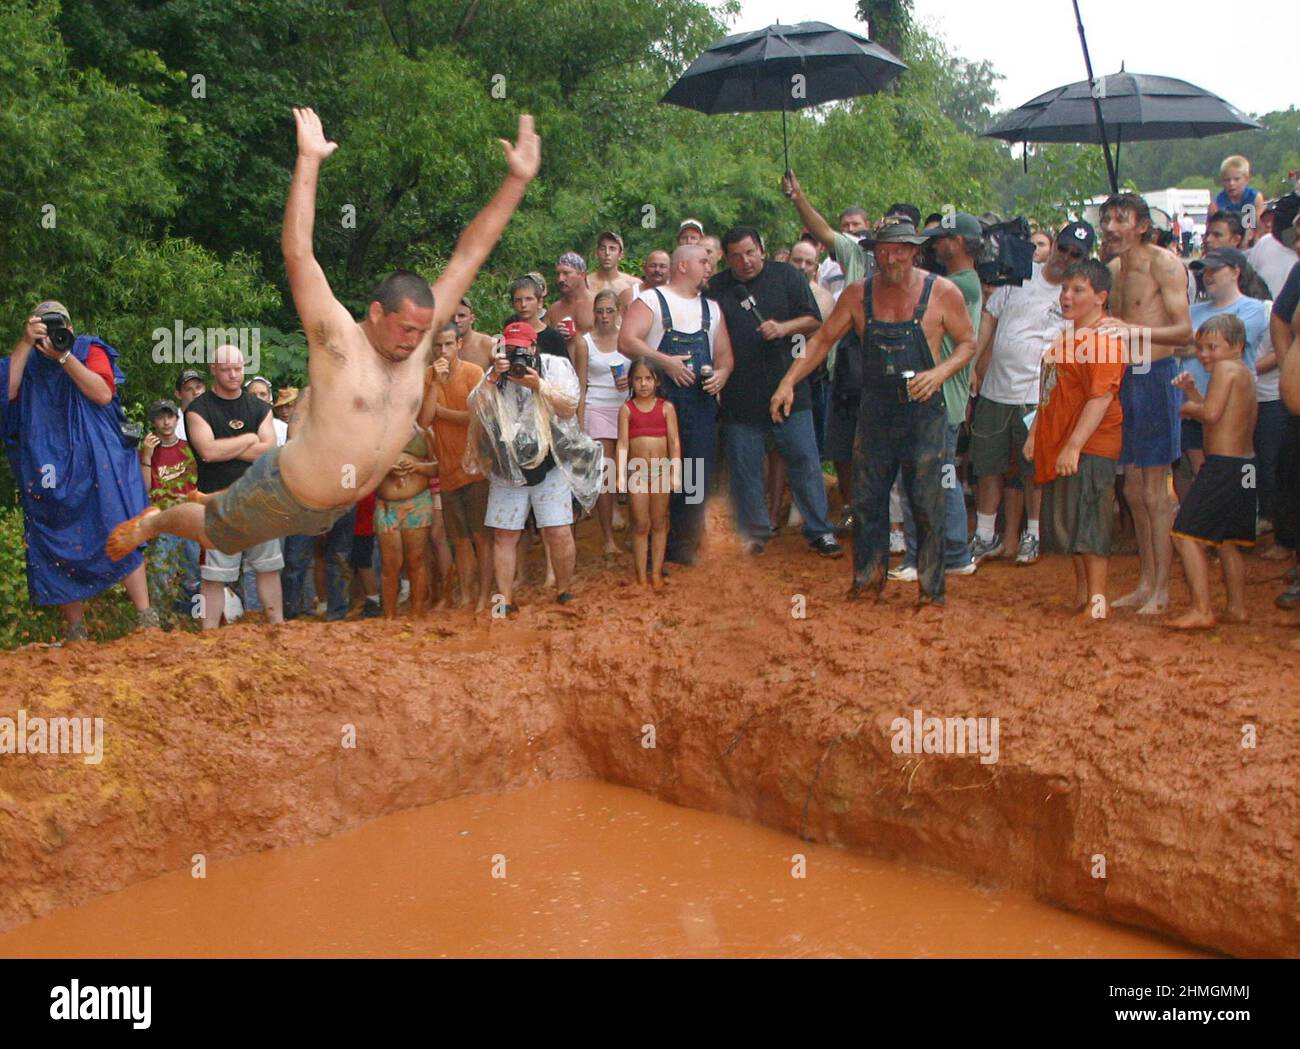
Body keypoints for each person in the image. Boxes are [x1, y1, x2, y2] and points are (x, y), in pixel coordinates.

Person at [106, 106, 541, 574]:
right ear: (377, 313)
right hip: (285, 491)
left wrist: (516, 181)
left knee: (232, 525)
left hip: (334, 508)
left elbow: (471, 251)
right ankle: (156, 522)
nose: (416, 341)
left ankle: (208, 502)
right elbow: (298, 253)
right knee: (214, 531)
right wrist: (309, 160)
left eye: (423, 331)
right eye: (406, 329)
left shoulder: (421, 333)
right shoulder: (338, 341)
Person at [771, 220, 977, 603]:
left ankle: (932, 590)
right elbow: (821, 341)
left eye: (899, 249)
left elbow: (967, 344)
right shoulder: (857, 294)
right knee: (867, 500)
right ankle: (868, 578)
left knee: (926, 500)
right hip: (876, 409)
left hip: (923, 409)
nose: (890, 257)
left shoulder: (942, 292)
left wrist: (939, 374)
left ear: (915, 251)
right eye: (883, 250)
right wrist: (788, 381)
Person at [2, 300, 157, 640]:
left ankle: (146, 618)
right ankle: (76, 630)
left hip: (99, 462)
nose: (55, 332)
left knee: (121, 525)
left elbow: (102, 394)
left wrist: (64, 356)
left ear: (71, 328)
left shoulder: (88, 349)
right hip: (48, 465)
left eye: (61, 326)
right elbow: (6, 391)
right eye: (45, 325)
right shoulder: (24, 360)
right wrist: (26, 343)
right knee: (56, 534)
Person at [707, 226, 840, 557]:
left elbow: (813, 320)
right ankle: (755, 530)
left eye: (750, 252)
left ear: (761, 249)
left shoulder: (787, 276)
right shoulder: (719, 287)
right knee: (745, 465)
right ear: (727, 258)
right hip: (740, 392)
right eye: (736, 256)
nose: (745, 261)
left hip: (791, 388)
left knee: (805, 460)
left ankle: (819, 531)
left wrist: (783, 328)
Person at [970, 221, 1084, 565]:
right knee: (988, 464)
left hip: (1038, 394)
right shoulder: (1019, 274)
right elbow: (989, 318)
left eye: (1076, 254)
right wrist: (974, 365)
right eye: (1062, 248)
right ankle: (985, 535)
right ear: (1053, 245)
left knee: (1033, 469)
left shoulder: (1077, 293)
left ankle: (1032, 535)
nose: (1066, 256)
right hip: (995, 388)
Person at [466, 321, 601, 611]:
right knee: (505, 533)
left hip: (550, 461)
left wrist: (538, 385)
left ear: (534, 347)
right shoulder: (497, 372)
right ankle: (504, 600)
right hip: (508, 465)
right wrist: (493, 378)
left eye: (522, 349)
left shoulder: (555, 367)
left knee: (559, 530)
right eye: (511, 349)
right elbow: (475, 408)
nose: (517, 356)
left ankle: (564, 590)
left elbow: (568, 406)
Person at [1101, 191, 1193, 615]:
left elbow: (1184, 333)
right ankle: (1145, 582)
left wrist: (1133, 333)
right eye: (1106, 219)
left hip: (1157, 377)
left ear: (1141, 225)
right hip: (1125, 380)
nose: (1110, 227)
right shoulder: (1113, 269)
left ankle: (1162, 590)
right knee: (1134, 489)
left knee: (1156, 493)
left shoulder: (1164, 263)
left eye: (1120, 219)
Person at [1023, 259, 1126, 620]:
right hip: (1066, 442)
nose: (1067, 296)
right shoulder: (1068, 337)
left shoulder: (1104, 340)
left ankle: (1098, 598)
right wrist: (1037, 431)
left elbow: (1101, 397)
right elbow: (1049, 390)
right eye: (1065, 289)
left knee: (1091, 519)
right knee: (1073, 522)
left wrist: (1073, 445)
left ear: (1101, 297)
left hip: (1092, 445)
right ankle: (1084, 594)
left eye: (1078, 290)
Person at [620, 244, 733, 565]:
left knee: (695, 474)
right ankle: (650, 544)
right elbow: (627, 341)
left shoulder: (712, 308)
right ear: (682, 265)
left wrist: (722, 375)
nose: (709, 266)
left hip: (700, 404)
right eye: (703, 261)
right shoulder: (652, 300)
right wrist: (666, 362)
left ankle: (683, 544)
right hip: (657, 403)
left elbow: (725, 357)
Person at [891, 212, 984, 580]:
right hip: (945, 394)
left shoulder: (958, 285)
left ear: (957, 243)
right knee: (944, 476)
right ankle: (957, 554)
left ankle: (918, 557)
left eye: (940, 238)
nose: (933, 245)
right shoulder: (966, 282)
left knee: (920, 477)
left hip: (938, 394)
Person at [780, 172, 875, 529]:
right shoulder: (857, 254)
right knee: (841, 444)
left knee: (877, 447)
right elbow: (820, 231)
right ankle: (851, 509)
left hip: (885, 369)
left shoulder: (918, 270)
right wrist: (798, 196)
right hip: (846, 364)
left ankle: (883, 518)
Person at [179, 344, 283, 627]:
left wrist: (227, 446)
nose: (233, 374)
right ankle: (210, 634)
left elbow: (268, 450)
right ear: (214, 369)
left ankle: (278, 626)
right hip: (217, 502)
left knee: (268, 568)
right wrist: (249, 440)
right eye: (226, 369)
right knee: (214, 574)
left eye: (238, 368)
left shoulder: (260, 407)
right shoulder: (198, 409)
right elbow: (208, 452)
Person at [1168, 315, 1258, 629]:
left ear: (1236, 346)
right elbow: (1223, 414)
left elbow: (1210, 414)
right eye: (1201, 347)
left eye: (1212, 347)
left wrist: (1186, 408)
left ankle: (1201, 609)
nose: (1205, 354)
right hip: (1247, 466)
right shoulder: (1244, 372)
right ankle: (1237, 607)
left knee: (1184, 532)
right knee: (1230, 540)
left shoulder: (1225, 368)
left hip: (1224, 466)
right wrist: (1193, 393)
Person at [418, 322, 493, 611]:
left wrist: (442, 412)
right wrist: (436, 383)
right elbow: (424, 421)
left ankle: (486, 596)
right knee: (459, 540)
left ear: (459, 344)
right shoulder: (427, 377)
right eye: (437, 346)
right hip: (446, 471)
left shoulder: (474, 373)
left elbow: (478, 418)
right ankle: (466, 596)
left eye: (448, 344)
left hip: (475, 469)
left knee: (481, 537)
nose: (443, 350)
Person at [1180, 248, 1268, 486]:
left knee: (1228, 472)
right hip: (1196, 400)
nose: (1208, 275)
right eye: (1205, 270)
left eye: (1215, 269)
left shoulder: (1253, 308)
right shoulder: (1193, 310)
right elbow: (1176, 346)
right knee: (1197, 475)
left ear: (1235, 272)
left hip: (1229, 409)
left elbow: (1223, 351)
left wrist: (1189, 406)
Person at [617, 358, 680, 588]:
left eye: (648, 379)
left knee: (660, 521)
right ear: (631, 382)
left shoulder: (666, 408)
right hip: (638, 473)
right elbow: (623, 444)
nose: (643, 384)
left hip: (661, 471)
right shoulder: (627, 409)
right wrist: (621, 475)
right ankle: (641, 575)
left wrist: (676, 472)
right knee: (640, 523)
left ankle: (655, 573)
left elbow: (674, 442)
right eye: (638, 379)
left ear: (657, 381)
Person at [579, 289, 630, 556]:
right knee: (605, 474)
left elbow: (645, 370)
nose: (604, 316)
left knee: (633, 469)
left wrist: (630, 381)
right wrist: (579, 421)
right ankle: (608, 538)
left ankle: (637, 530)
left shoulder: (629, 336)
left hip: (627, 407)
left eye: (610, 310)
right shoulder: (585, 341)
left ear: (619, 311)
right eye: (599, 311)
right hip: (597, 406)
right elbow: (581, 383)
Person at [139, 398, 199, 614]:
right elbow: (144, 488)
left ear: (176, 418)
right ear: (154, 422)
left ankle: (192, 616)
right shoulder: (148, 451)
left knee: (193, 571)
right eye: (160, 417)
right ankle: (161, 617)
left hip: (190, 518)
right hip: (164, 519)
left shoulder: (189, 447)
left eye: (170, 416)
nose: (166, 422)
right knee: (161, 572)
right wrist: (146, 456)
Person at [374, 423, 438, 618]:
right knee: (390, 564)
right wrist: (386, 468)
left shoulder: (424, 433)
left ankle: (417, 612)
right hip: (386, 505)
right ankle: (389, 616)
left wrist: (417, 466)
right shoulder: (374, 433)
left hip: (417, 502)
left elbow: (438, 467)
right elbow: (362, 470)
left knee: (416, 559)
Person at [1207, 155, 1260, 232]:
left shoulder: (1255, 198)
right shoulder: (1216, 203)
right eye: (1227, 180)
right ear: (1222, 181)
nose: (1231, 183)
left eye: (1236, 179)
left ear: (1246, 179)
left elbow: (1259, 229)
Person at [549, 252, 595, 334]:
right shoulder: (553, 310)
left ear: (582, 275)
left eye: (566, 273)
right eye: (558, 274)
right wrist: (555, 336)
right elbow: (542, 343)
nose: (560, 279)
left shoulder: (598, 304)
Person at [588, 231, 639, 300]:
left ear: (621, 255)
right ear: (596, 253)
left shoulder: (633, 284)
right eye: (602, 249)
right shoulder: (586, 283)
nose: (607, 253)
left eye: (612, 249)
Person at [452, 298, 497, 371]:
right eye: (451, 316)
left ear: (472, 319)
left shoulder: (489, 344)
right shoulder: (437, 346)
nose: (456, 320)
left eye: (461, 316)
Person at [245, 376, 289, 445]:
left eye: (263, 394)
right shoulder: (238, 426)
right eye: (253, 395)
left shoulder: (283, 428)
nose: (258, 398)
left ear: (269, 398)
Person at [174, 368, 206, 441]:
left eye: (198, 387)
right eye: (189, 389)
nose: (195, 392)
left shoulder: (216, 415)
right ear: (178, 394)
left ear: (204, 389)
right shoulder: (172, 422)